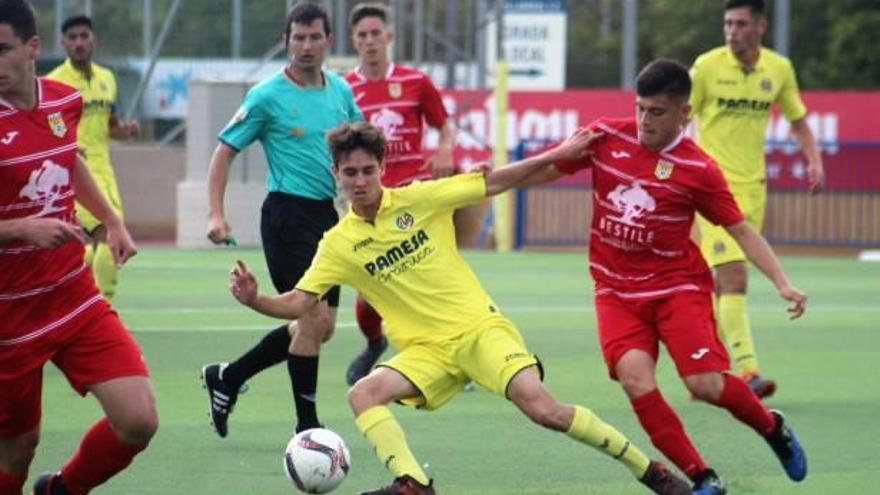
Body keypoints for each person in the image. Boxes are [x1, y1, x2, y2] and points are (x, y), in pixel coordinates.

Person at [228, 121, 692, 495]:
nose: (361, 181)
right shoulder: (337, 245)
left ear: (381, 169)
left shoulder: (421, 198)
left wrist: (557, 154)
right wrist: (255, 300)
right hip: (426, 352)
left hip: (478, 330)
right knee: (362, 394)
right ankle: (415, 483)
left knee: (543, 409)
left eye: (368, 170)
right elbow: (299, 303)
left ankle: (648, 470)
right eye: (350, 174)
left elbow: (495, 181)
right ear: (337, 176)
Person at [522, 59, 808, 495]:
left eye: (656, 112)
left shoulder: (699, 170)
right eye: (640, 108)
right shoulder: (607, 137)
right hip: (615, 291)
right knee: (637, 379)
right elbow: (546, 170)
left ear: (684, 115)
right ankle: (702, 477)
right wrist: (490, 182)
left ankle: (772, 428)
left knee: (704, 384)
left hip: (678, 288)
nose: (643, 120)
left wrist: (782, 282)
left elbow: (741, 230)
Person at [0, 2, 157, 495]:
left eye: (1, 49)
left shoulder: (65, 102)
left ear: (32, 48)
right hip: (10, 319)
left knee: (139, 420)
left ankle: (62, 490)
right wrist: (22, 228)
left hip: (74, 296)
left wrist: (112, 220)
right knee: (19, 447)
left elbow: (68, 162)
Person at [200, 2, 363, 439]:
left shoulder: (340, 92)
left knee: (321, 328)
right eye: (298, 38)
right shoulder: (267, 95)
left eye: (315, 37)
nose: (306, 46)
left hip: (329, 220)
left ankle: (228, 377)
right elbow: (224, 152)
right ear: (286, 41)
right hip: (287, 216)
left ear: (329, 41)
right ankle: (307, 429)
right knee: (311, 321)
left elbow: (359, 149)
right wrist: (216, 212)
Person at [689, 0, 824, 398]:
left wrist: (813, 160)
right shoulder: (706, 67)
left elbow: (798, 121)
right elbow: (680, 117)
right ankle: (748, 372)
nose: (731, 31)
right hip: (711, 186)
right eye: (727, 23)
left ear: (761, 26)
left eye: (740, 24)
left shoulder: (778, 69)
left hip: (754, 188)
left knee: (719, 283)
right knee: (734, 276)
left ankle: (703, 364)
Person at [342, 2, 458, 386]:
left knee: (431, 277)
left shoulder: (415, 82)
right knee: (369, 288)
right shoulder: (344, 88)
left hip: (413, 197)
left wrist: (445, 150)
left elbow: (446, 125)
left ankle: (456, 350)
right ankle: (375, 344)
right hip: (369, 202)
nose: (370, 41)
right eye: (362, 35)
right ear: (353, 41)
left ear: (389, 37)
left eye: (376, 33)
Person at [46, 14, 140, 303]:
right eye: (72, 38)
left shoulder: (106, 79)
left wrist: (125, 131)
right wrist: (69, 143)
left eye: (83, 37)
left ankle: (83, 279)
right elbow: (51, 122)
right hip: (75, 172)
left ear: (93, 40)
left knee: (101, 240)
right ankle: (103, 305)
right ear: (63, 43)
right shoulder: (53, 82)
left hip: (105, 171)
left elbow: (109, 125)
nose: (79, 43)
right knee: (107, 234)